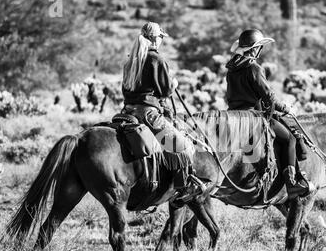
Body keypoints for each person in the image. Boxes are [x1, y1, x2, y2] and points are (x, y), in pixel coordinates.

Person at [225, 29, 313, 196]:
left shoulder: (231, 69)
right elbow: (269, 98)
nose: (260, 51)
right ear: (253, 49)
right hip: (253, 117)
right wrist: (286, 108)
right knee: (290, 139)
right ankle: (291, 183)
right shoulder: (254, 68)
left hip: (234, 116)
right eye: (259, 47)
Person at [121, 22, 205, 197]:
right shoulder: (156, 59)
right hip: (148, 114)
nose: (161, 40)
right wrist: (173, 84)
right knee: (183, 147)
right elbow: (165, 91)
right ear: (155, 39)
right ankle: (183, 188)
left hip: (127, 112)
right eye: (160, 37)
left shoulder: (131, 60)